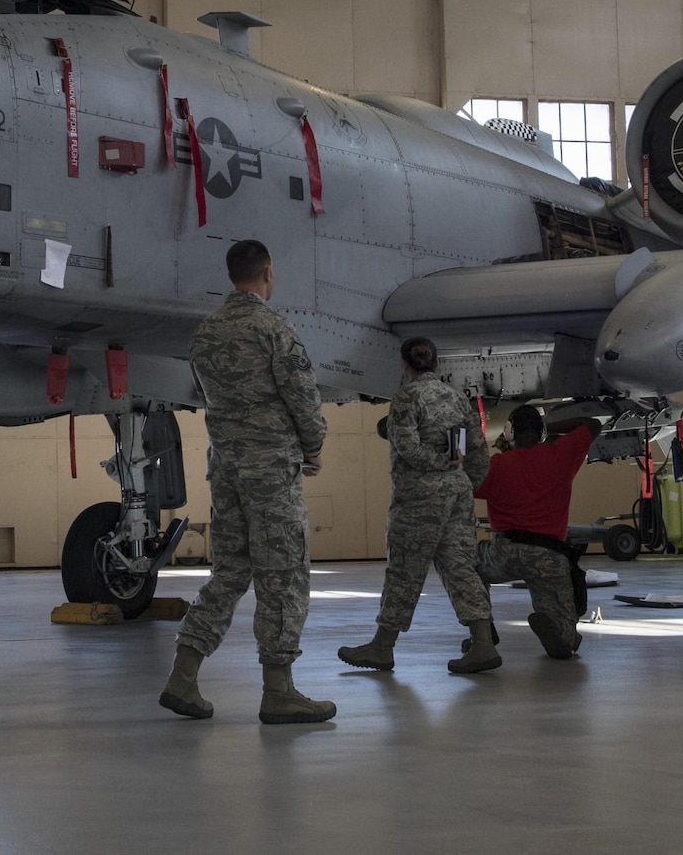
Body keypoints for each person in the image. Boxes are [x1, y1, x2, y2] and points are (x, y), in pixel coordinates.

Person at [159, 239, 335, 725]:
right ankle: (279, 691)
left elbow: (204, 392)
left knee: (231, 572)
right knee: (283, 573)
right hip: (271, 470)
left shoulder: (206, 333)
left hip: (227, 469)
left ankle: (183, 676)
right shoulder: (272, 328)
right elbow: (301, 395)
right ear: (268, 273)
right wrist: (313, 447)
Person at [338, 337, 499, 674]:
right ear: (437, 364)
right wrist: (464, 482)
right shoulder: (457, 399)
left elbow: (408, 449)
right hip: (457, 496)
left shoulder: (405, 399)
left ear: (404, 364)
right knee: (460, 567)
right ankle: (482, 643)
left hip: (419, 500)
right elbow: (479, 452)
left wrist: (440, 464)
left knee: (404, 572)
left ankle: (382, 647)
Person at [476, 406, 601, 660]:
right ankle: (561, 633)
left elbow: (466, 483)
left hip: (505, 553)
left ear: (510, 432)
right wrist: (550, 428)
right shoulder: (561, 455)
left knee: (466, 564)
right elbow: (593, 424)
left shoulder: (497, 465)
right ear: (540, 432)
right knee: (566, 635)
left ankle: (482, 634)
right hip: (550, 555)